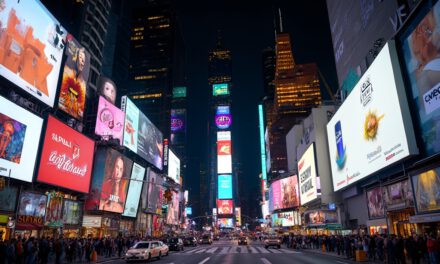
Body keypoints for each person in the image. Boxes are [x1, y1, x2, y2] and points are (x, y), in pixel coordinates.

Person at [59, 45, 88, 119]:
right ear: (76, 58)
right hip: (59, 110)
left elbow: (80, 109)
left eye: (84, 60)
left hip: (72, 118)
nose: (82, 61)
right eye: (81, 57)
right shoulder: (66, 72)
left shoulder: (83, 85)